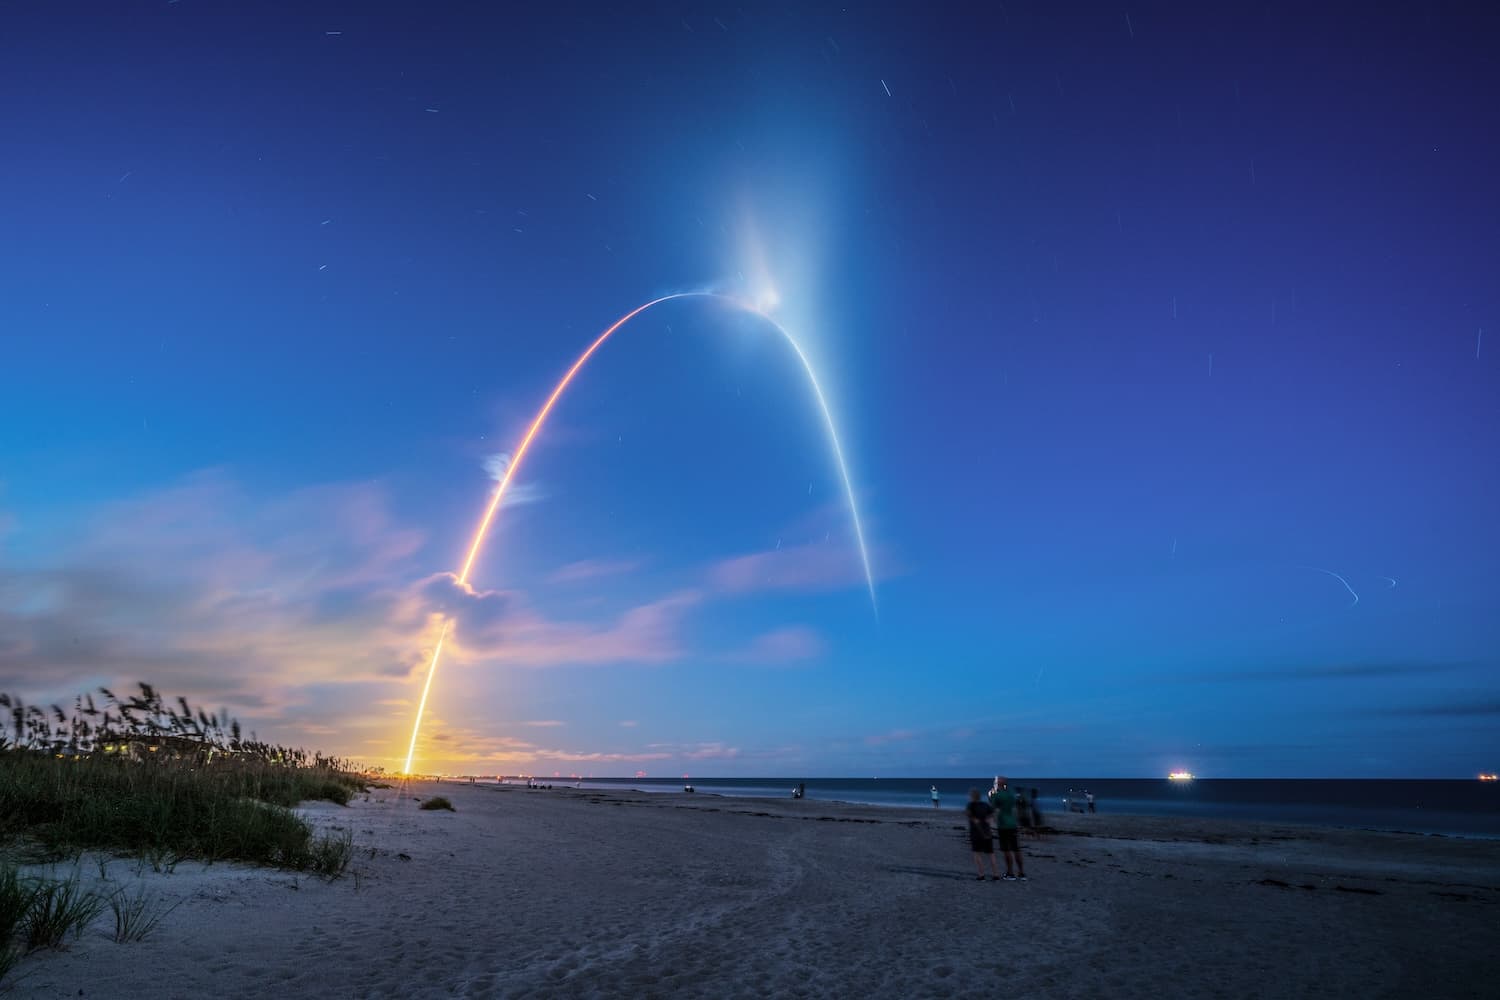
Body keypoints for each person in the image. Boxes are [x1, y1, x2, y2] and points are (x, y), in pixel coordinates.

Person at [988, 777, 1027, 880]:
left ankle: (1010, 873)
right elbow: (1013, 807)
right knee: (1016, 849)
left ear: (998, 784)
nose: (994, 783)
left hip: (1004, 825)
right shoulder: (1011, 794)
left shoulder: (998, 795)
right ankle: (1021, 873)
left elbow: (992, 807)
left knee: (1007, 850)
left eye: (995, 782)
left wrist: (990, 796)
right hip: (1012, 824)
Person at [965, 788, 1001, 880]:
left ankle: (981, 874)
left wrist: (974, 819)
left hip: (976, 833)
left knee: (977, 854)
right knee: (991, 853)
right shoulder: (985, 805)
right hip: (987, 832)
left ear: (972, 797)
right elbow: (993, 813)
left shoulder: (971, 805)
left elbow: (969, 815)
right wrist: (990, 820)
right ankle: (996, 874)